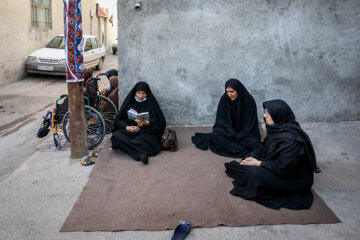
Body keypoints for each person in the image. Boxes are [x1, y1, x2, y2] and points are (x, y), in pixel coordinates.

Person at [224, 99, 317, 210]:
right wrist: (251, 157)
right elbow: (264, 147)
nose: (264, 115)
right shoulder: (277, 128)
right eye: (265, 112)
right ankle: (245, 170)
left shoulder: (292, 140)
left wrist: (258, 163)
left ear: (278, 115)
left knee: (253, 172)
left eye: (268, 113)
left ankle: (247, 173)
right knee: (246, 161)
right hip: (277, 168)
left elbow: (282, 168)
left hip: (294, 180)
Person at [192, 78, 261, 158]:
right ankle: (242, 150)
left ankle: (235, 148)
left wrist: (240, 135)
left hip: (245, 133)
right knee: (216, 136)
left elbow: (250, 125)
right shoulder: (224, 99)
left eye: (232, 91)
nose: (229, 94)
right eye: (227, 91)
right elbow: (221, 121)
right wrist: (230, 132)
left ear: (238, 90)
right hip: (229, 132)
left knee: (254, 142)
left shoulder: (249, 101)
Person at [111, 82, 166, 165]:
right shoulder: (129, 103)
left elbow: (160, 122)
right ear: (135, 93)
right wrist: (127, 127)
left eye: (144, 93)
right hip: (130, 132)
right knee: (116, 137)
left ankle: (136, 153)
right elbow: (119, 120)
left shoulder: (150, 104)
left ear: (147, 94)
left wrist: (147, 123)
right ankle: (141, 153)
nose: (141, 96)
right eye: (138, 93)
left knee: (151, 141)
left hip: (145, 132)